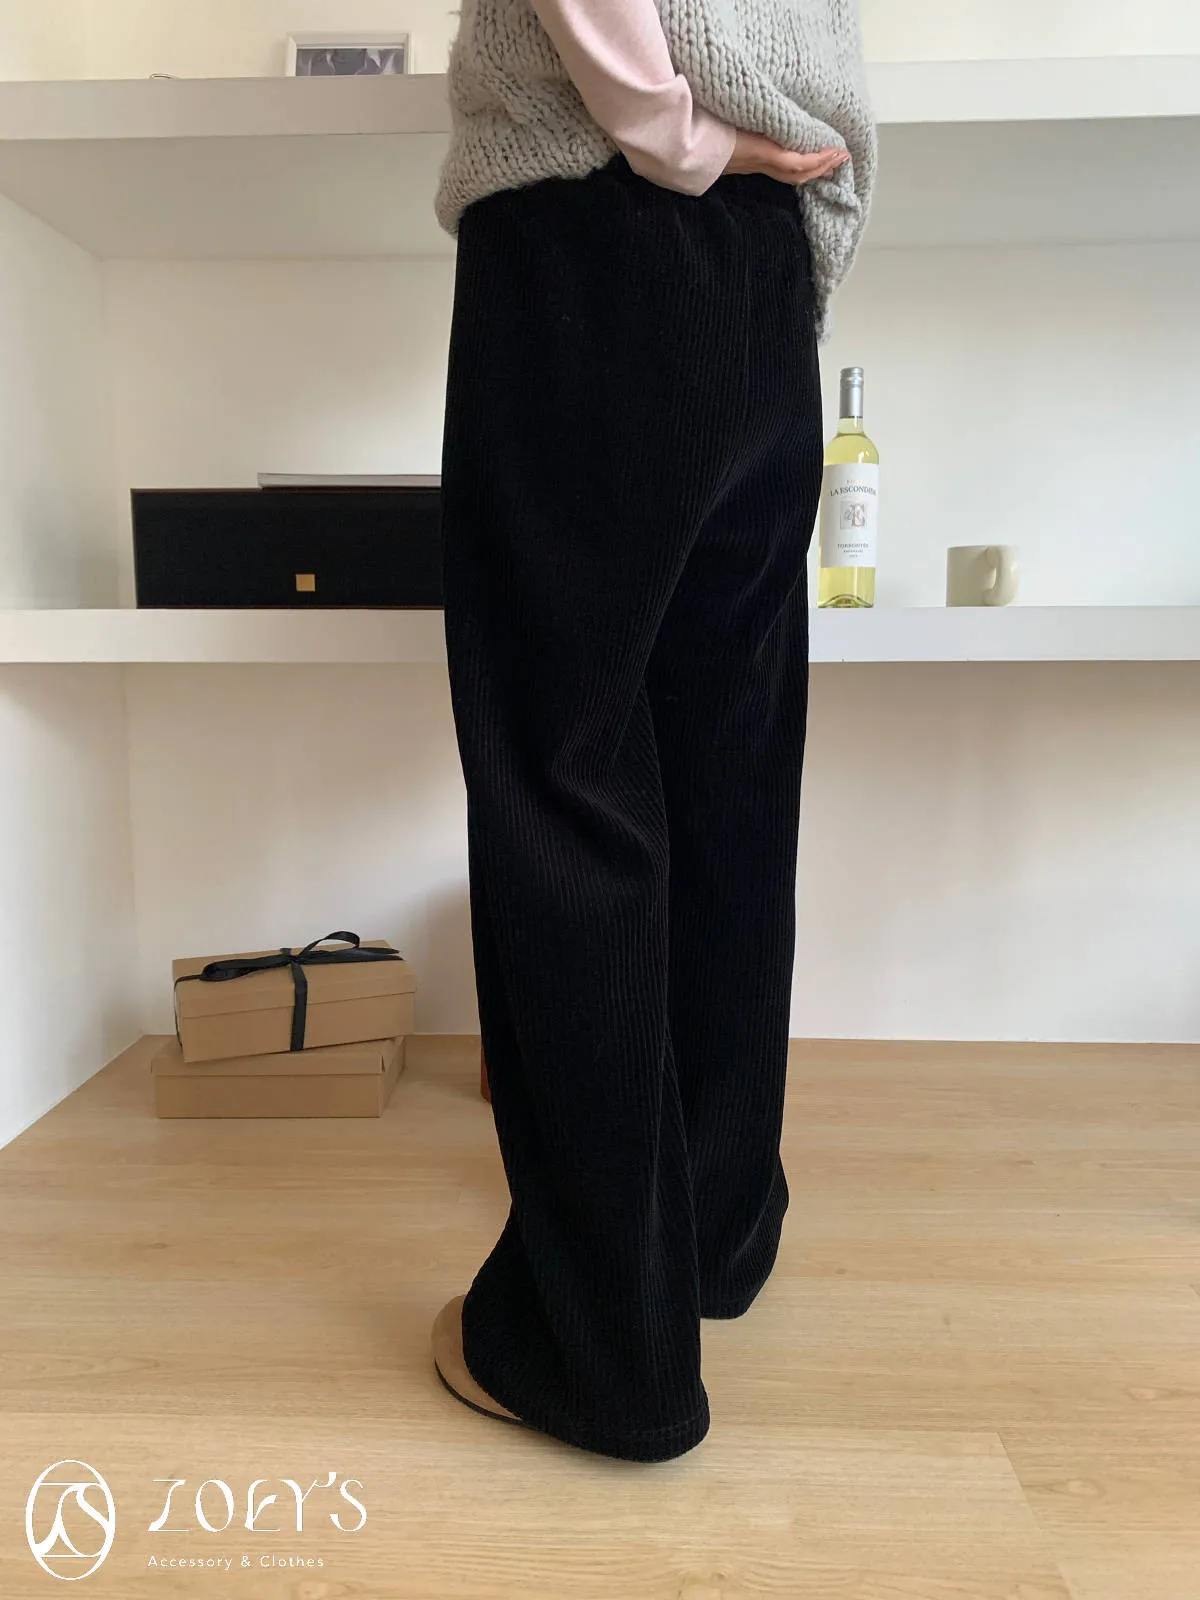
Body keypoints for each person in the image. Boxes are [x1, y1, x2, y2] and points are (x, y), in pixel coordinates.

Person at [430, 0, 876, 1463]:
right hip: (772, 260)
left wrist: (671, 126)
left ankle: (595, 1353)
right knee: (729, 768)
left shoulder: (640, 157)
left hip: (596, 227)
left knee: (568, 775)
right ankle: (718, 1231)